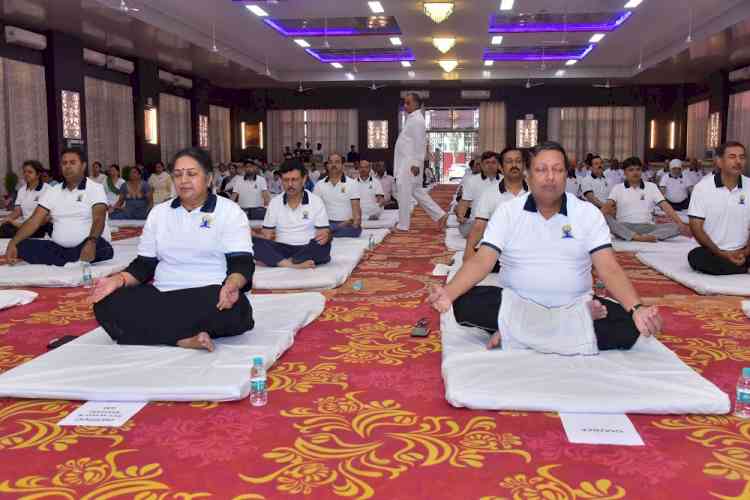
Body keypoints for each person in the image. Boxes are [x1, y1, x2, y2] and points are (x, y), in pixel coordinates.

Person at [430, 141, 661, 354]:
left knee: (629, 327)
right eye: (541, 170)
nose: (550, 177)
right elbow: (483, 260)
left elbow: (608, 268)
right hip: (517, 303)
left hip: (573, 303)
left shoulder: (587, 213)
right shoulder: (508, 212)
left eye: (557, 170)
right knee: (464, 303)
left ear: (566, 176)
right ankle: (563, 327)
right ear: (528, 176)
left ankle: (518, 332)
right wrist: (449, 293)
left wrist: (637, 308)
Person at [90, 147, 253, 351]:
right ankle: (181, 339)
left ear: (209, 179)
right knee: (106, 302)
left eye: (191, 174)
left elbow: (242, 262)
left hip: (211, 295)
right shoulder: (159, 213)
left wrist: (232, 285)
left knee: (236, 311)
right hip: (164, 295)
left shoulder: (229, 211)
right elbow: (144, 265)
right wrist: (118, 279)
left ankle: (159, 333)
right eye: (178, 174)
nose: (184, 180)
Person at [5, 148, 113, 266]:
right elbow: (34, 220)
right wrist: (13, 242)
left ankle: (65, 259)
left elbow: (99, 219)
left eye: (72, 163)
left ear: (83, 166)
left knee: (101, 247)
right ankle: (71, 260)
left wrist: (91, 242)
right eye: (64, 163)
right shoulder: (53, 191)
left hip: (89, 244)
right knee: (22, 245)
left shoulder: (95, 188)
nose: (67, 166)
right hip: (59, 248)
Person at [253, 161, 332, 269]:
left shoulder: (316, 201)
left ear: (303, 180)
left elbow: (322, 233)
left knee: (324, 246)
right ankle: (292, 263)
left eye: (294, 180)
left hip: (307, 247)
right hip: (282, 248)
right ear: (281, 180)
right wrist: (254, 235)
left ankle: (279, 261)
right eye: (286, 180)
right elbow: (267, 235)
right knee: (253, 243)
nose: (290, 184)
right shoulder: (275, 202)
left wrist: (326, 236)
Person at [687, 141, 750, 275]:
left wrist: (746, 251)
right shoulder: (702, 188)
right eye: (732, 157)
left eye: (742, 157)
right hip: (714, 251)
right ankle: (742, 268)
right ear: (719, 162)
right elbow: (696, 227)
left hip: (743, 251)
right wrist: (721, 253)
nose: (738, 161)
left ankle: (736, 265)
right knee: (696, 257)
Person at [604, 156, 691, 242]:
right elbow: (607, 206)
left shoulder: (651, 186)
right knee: (606, 218)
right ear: (625, 173)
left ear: (641, 171)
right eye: (631, 170)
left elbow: (665, 206)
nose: (635, 172)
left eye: (638, 169)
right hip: (624, 226)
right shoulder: (617, 188)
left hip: (648, 227)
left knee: (677, 227)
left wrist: (680, 223)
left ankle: (645, 236)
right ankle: (638, 237)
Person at [463, 147, 527, 262]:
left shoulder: (537, 192)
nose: (514, 165)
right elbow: (479, 227)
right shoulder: (489, 193)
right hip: (499, 249)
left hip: (528, 248)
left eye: (518, 161)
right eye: (509, 161)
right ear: (501, 168)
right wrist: (468, 249)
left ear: (524, 166)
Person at [394, 93, 447, 231]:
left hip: (410, 163)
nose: (405, 106)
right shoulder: (412, 118)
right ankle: (440, 215)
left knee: (404, 193)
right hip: (408, 162)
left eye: (408, 103)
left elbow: (420, 143)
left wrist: (416, 164)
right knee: (416, 191)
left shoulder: (417, 120)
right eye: (404, 103)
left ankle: (403, 225)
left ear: (416, 104)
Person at [313, 153, 362, 237]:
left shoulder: (352, 183)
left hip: (348, 225)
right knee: (316, 229)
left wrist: (354, 222)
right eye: (331, 162)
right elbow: (314, 209)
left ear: (343, 165)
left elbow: (356, 213)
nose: (333, 165)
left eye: (337, 162)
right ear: (327, 165)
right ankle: (330, 231)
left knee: (355, 230)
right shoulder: (319, 185)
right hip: (327, 223)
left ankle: (329, 233)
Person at [455, 151, 502, 238]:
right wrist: (461, 216)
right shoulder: (472, 180)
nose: (490, 165)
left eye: (493, 162)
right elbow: (464, 202)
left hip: (499, 222)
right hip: (477, 222)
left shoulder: (505, 180)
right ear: (482, 165)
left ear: (498, 165)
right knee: (464, 229)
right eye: (487, 163)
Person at [0, 160, 51, 239]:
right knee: (4, 227)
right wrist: (7, 219)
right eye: (24, 172)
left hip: (39, 227)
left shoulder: (47, 189)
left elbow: (46, 218)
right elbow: (18, 211)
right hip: (23, 226)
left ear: (38, 174)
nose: (26, 174)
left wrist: (17, 224)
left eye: (30, 172)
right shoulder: (22, 190)